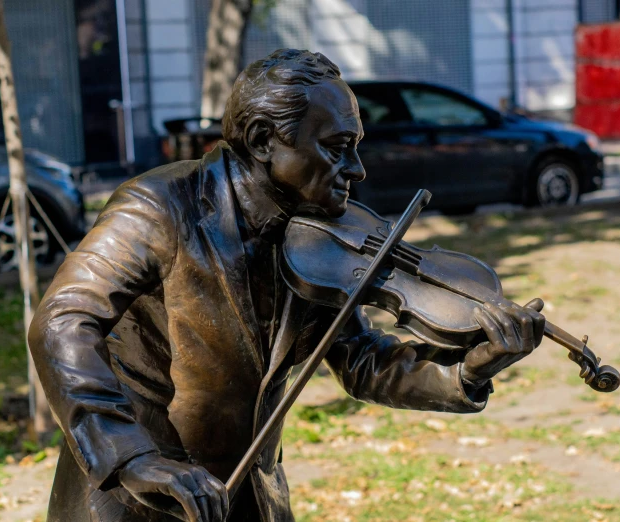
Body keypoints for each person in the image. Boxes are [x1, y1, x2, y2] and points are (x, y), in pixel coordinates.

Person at [29, 49, 546, 522]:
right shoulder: (160, 206)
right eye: (337, 148)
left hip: (248, 490)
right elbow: (63, 321)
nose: (357, 170)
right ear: (261, 140)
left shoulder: (322, 238)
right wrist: (133, 458)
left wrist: (466, 372)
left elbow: (361, 360)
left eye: (356, 147)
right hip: (135, 494)